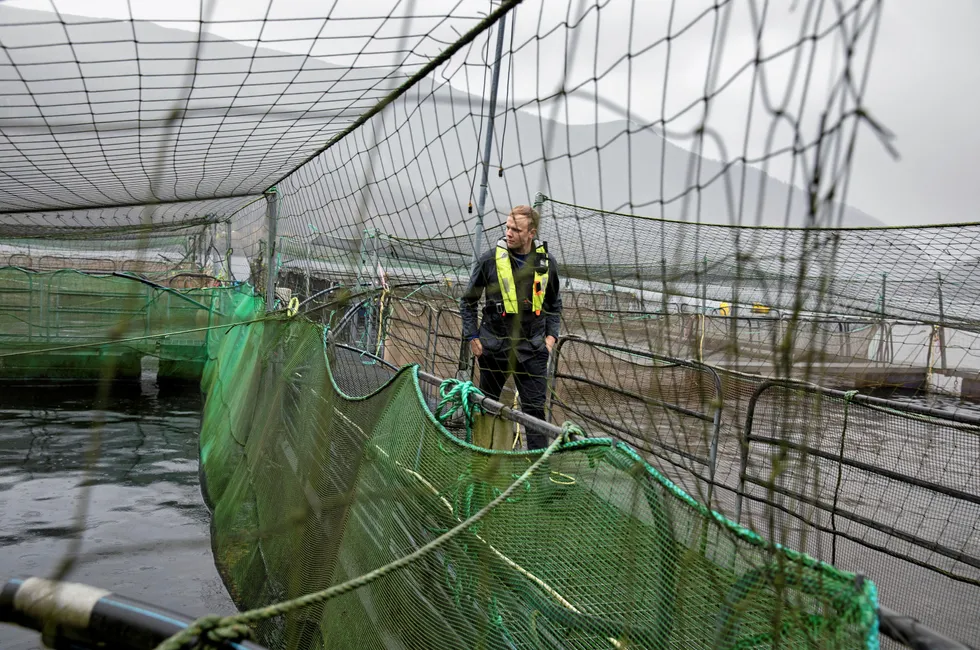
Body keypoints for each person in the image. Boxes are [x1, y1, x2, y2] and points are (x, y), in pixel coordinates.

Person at [460, 204, 562, 449]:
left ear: (531, 233)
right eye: (507, 227)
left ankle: (538, 475)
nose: (509, 232)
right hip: (494, 347)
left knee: (535, 417)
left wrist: (551, 339)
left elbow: (554, 304)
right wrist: (473, 337)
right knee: (488, 407)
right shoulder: (489, 260)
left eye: (516, 229)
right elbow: (467, 302)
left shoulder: (546, 263)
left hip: (533, 350)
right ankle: (483, 459)